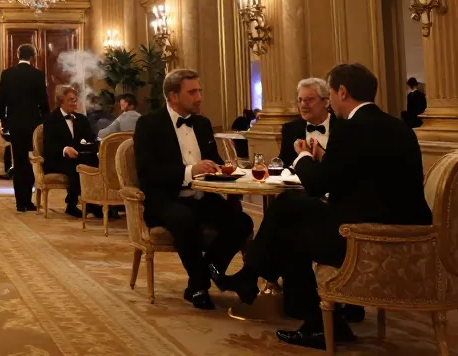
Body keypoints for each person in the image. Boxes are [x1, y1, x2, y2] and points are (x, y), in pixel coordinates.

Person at [220, 63, 431, 349]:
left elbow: (319, 186)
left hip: (364, 236)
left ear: (342, 92)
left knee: (290, 232)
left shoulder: (350, 129)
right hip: (406, 229)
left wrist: (304, 157)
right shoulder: (398, 126)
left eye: (330, 94)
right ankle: (254, 279)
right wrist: (324, 159)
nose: (330, 101)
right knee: (288, 204)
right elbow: (358, 174)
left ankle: (316, 321)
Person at [133, 68, 252, 310]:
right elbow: (148, 173)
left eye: (199, 90)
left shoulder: (202, 123)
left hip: (201, 196)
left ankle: (206, 272)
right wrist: (190, 172)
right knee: (184, 219)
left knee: (243, 223)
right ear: (173, 96)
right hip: (166, 199)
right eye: (193, 92)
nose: (199, 97)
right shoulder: (149, 124)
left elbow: (213, 160)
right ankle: (199, 286)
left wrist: (224, 170)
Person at [0, 43, 49, 212]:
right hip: (33, 125)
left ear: (17, 55)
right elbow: (43, 102)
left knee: (19, 163)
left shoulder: (7, 74)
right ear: (32, 56)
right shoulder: (38, 75)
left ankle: (20, 202)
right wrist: (44, 124)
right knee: (32, 161)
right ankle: (28, 200)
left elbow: (0, 102)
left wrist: (5, 122)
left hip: (15, 124)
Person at [41, 84, 100, 218]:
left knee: (94, 162)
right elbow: (49, 145)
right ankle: (72, 204)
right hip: (56, 159)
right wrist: (65, 149)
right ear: (61, 101)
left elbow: (90, 138)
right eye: (71, 100)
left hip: (79, 157)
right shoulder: (51, 119)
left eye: (75, 100)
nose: (75, 103)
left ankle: (93, 202)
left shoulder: (82, 119)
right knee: (75, 165)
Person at [279, 78, 331, 167]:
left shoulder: (343, 127)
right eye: (300, 100)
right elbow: (283, 164)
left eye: (309, 99)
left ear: (326, 102)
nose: (303, 104)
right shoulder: (290, 129)